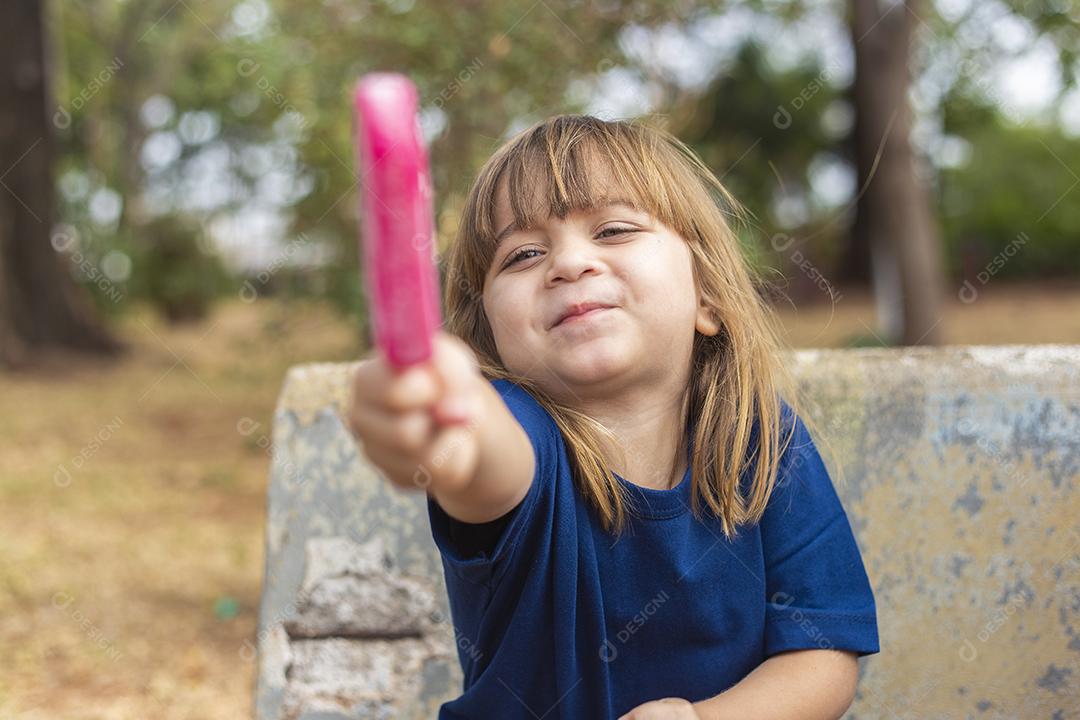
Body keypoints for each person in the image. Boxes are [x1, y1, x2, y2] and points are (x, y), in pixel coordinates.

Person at [346, 114, 878, 719]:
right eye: (522, 255)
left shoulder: (762, 437)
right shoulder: (525, 435)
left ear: (706, 295)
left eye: (615, 229)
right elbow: (483, 460)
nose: (570, 264)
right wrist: (448, 414)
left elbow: (824, 652)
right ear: (488, 336)